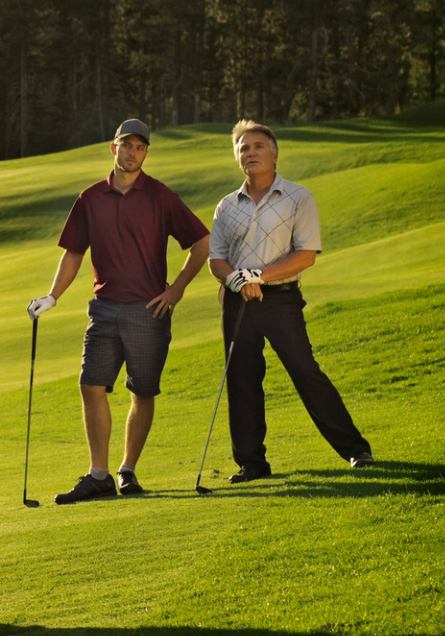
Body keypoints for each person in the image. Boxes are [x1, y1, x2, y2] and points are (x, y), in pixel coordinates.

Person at [28, 118, 210, 503]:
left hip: (149, 311)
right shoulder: (90, 198)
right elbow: (74, 252)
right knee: (90, 385)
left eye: (140, 147)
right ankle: (99, 474)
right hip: (105, 309)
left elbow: (202, 244)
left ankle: (127, 470)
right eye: (126, 145)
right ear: (113, 148)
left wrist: (175, 290)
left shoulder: (160, 196)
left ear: (146, 153)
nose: (132, 152)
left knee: (142, 391)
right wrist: (53, 296)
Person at [207, 119, 373, 481]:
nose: (250, 153)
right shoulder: (225, 206)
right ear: (237, 157)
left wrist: (258, 276)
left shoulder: (298, 197)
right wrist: (236, 278)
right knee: (242, 380)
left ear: (275, 153)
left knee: (305, 371)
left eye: (257, 146)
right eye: (243, 148)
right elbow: (216, 258)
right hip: (238, 303)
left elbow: (306, 254)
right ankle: (252, 464)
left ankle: (355, 449)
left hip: (280, 300)